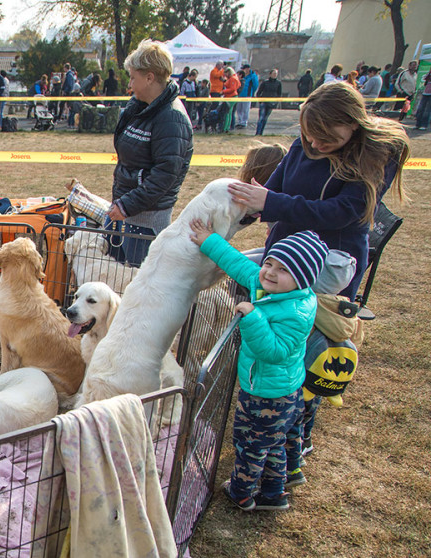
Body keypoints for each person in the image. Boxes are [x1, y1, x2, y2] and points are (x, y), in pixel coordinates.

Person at [227, 81, 410, 300]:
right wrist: (240, 206)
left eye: (325, 137)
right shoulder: (302, 145)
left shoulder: (377, 155)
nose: (314, 144)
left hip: (326, 264)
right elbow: (270, 191)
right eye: (308, 134)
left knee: (295, 325)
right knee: (256, 305)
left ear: (352, 123)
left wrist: (271, 202)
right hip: (282, 255)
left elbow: (342, 211)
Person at [190, 221, 326, 512]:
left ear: (303, 279)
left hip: (268, 393)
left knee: (250, 444)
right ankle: (274, 494)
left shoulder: (295, 312)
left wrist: (252, 318)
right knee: (273, 441)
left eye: (283, 270)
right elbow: (238, 263)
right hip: (277, 387)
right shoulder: (268, 287)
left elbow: (273, 351)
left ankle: (240, 492)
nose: (270, 272)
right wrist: (208, 241)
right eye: (269, 263)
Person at [107, 39, 193, 267]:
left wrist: (127, 205)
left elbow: (165, 175)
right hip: (126, 211)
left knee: (138, 279)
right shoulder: (139, 107)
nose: (130, 83)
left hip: (147, 220)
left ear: (150, 77)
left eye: (133, 77)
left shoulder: (172, 118)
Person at [255, 69, 282, 136]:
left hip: (271, 103)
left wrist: (276, 102)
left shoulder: (278, 83)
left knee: (265, 118)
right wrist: (260, 101)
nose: (275, 75)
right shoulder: (265, 82)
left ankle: (261, 132)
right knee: (261, 118)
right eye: (274, 73)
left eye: (276, 74)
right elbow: (259, 92)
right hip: (264, 102)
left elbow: (279, 94)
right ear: (270, 74)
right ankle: (258, 133)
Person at [234, 64, 258, 129]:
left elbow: (255, 85)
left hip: (247, 95)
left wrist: (251, 92)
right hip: (240, 94)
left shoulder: (253, 76)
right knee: (239, 109)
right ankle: (240, 121)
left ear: (247, 69)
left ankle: (244, 122)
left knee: (245, 109)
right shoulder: (242, 76)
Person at [220, 66, 240, 132]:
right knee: (229, 113)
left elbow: (232, 89)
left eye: (226, 73)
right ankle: (227, 128)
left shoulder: (233, 79)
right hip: (231, 96)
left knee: (227, 112)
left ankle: (225, 128)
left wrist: (223, 92)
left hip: (231, 97)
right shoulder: (234, 78)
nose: (225, 75)